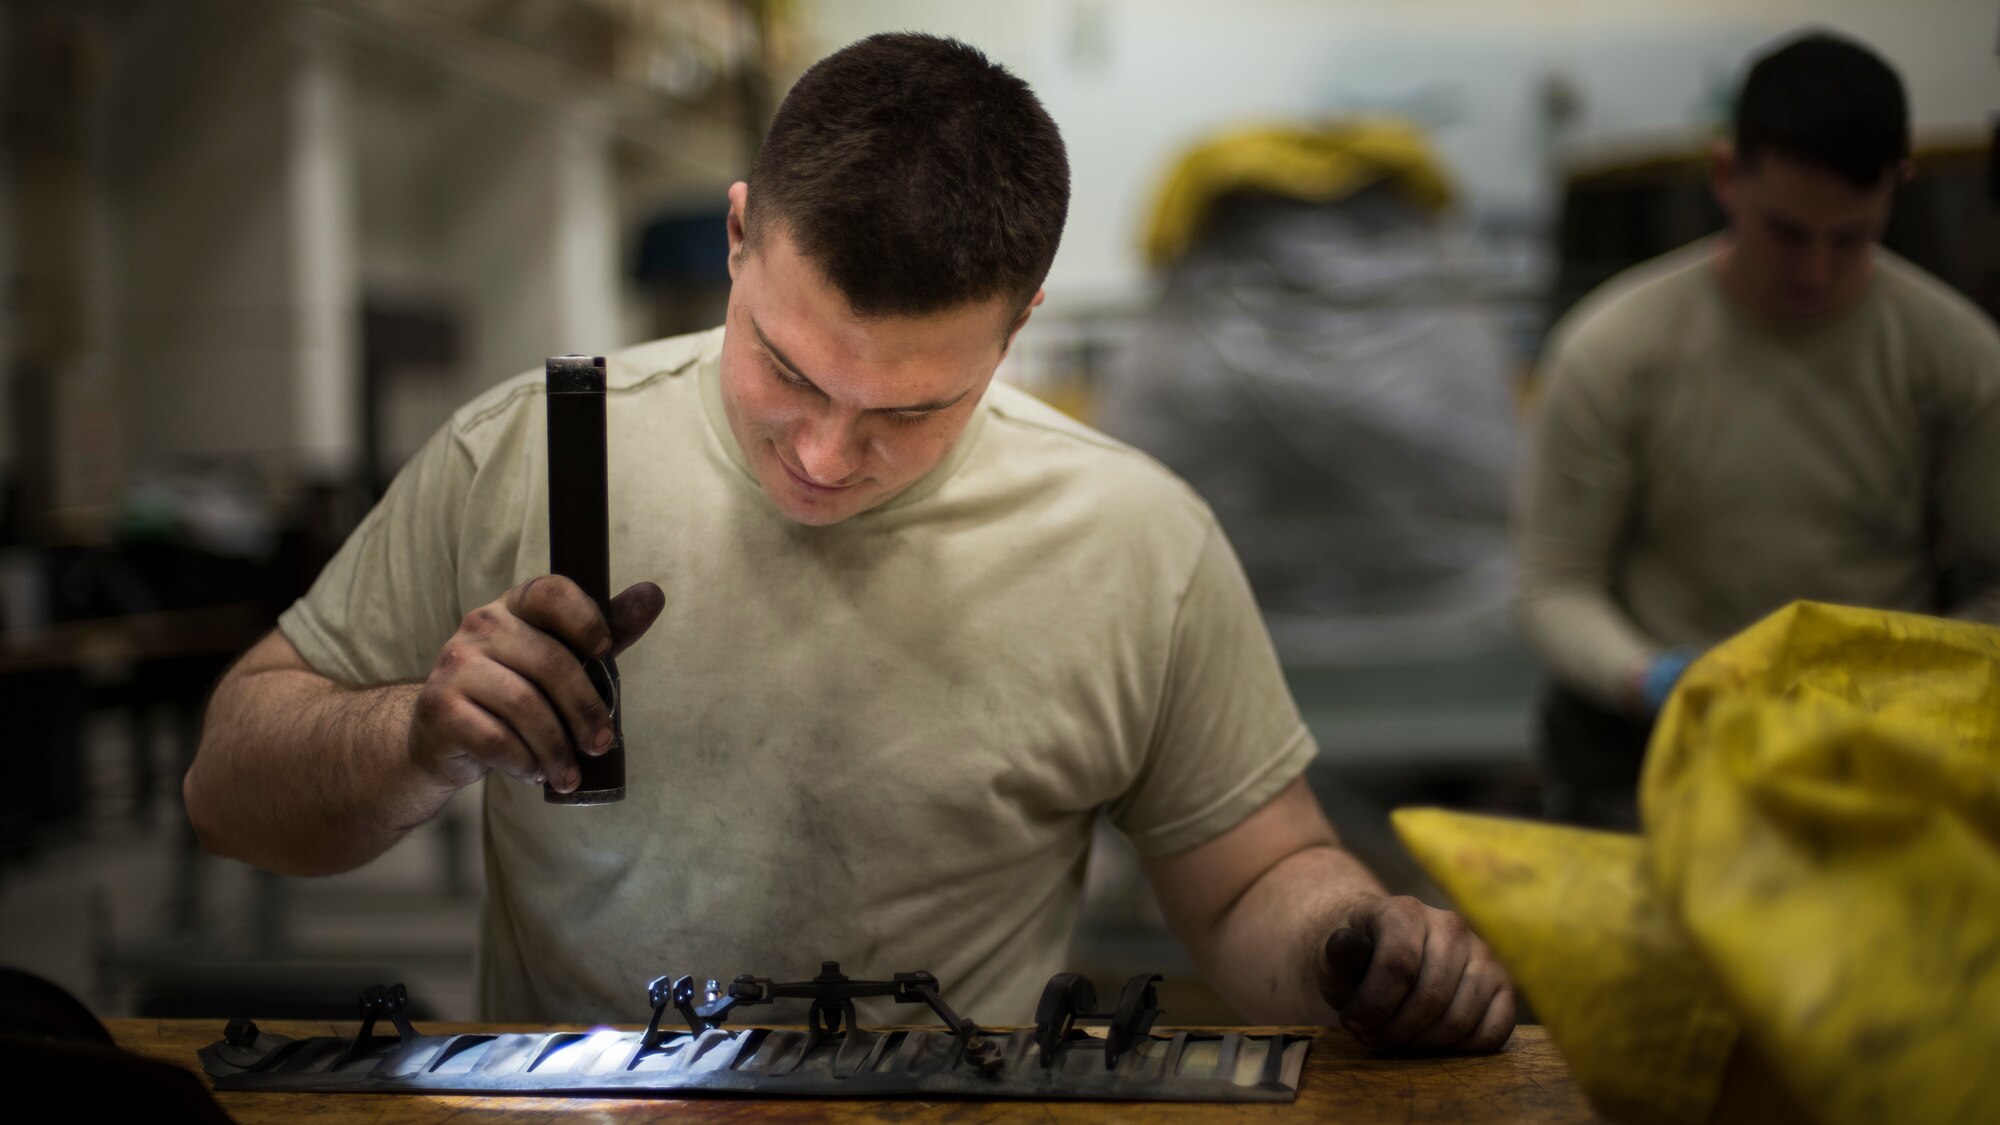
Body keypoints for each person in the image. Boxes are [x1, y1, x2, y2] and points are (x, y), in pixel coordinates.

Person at [185, 32, 1512, 1049]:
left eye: (912, 408)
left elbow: (1251, 882)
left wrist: (1357, 943)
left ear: (1023, 320)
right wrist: (421, 734)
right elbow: (228, 792)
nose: (824, 457)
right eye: (789, 371)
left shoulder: (1134, 540)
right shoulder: (529, 452)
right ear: (738, 234)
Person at [1515, 30, 2000, 828]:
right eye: (1786, 231)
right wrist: (1656, 677)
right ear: (1724, 174)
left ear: (1897, 189)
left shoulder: (1956, 360)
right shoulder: (1613, 351)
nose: (1814, 270)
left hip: (1885, 746)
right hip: (1656, 743)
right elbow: (1553, 585)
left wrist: (1913, 680)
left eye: (1850, 237)